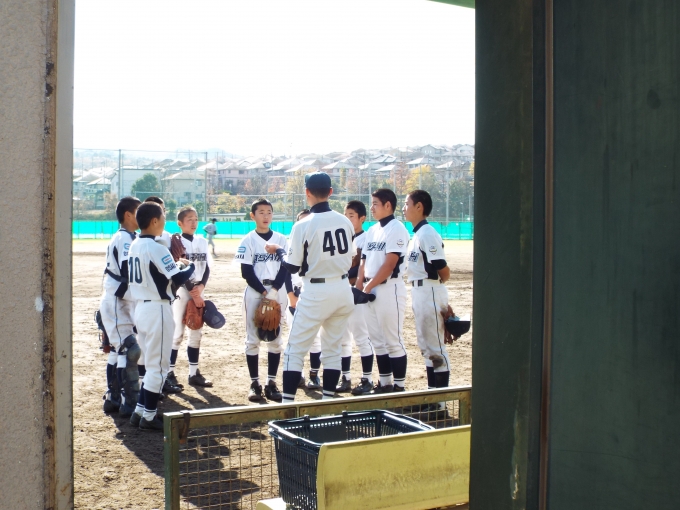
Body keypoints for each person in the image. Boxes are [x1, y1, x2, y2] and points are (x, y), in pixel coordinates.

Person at [265, 172, 355, 402]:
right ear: (330, 192)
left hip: (316, 291)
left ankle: (287, 405)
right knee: (332, 349)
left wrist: (280, 250)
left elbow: (292, 266)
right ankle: (327, 402)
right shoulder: (345, 221)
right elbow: (351, 256)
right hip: (343, 289)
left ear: (306, 192)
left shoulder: (303, 224)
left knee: (294, 350)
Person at [127, 202, 195, 431]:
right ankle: (148, 416)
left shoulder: (135, 244)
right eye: (163, 217)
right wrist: (189, 266)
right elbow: (178, 279)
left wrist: (175, 265)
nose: (165, 221)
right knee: (159, 367)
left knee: (150, 364)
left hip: (141, 309)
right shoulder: (157, 247)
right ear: (154, 221)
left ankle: (140, 411)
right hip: (157, 310)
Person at [235, 200, 289, 403]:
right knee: (252, 339)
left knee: (275, 338)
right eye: (261, 212)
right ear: (253, 216)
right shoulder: (248, 240)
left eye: (269, 212)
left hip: (278, 290)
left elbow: (286, 267)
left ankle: (271, 382)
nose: (266, 216)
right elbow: (246, 272)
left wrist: (274, 291)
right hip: (255, 292)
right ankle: (254, 383)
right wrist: (264, 292)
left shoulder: (281, 239)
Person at [356, 188, 410, 393]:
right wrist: (359, 286)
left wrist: (367, 287)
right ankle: (385, 384)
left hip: (389, 288)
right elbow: (363, 261)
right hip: (370, 289)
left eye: (375, 203)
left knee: (393, 341)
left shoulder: (397, 229)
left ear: (388, 205)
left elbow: (389, 265)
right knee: (377, 341)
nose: (371, 207)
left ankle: (399, 387)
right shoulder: (372, 230)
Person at [402, 190, 451, 412]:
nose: (404, 208)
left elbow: (443, 269)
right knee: (426, 348)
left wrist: (438, 291)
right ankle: (432, 398)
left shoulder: (427, 233)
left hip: (430, 290)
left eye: (407, 203)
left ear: (419, 207)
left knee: (436, 349)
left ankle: (440, 404)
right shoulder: (418, 234)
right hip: (420, 292)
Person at [99, 196, 141, 416]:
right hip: (117, 300)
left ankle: (114, 398)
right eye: (138, 211)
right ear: (128, 214)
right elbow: (128, 270)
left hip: (120, 300)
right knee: (128, 349)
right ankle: (128, 401)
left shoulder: (130, 237)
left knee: (119, 350)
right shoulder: (124, 238)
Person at [167, 206, 214, 389]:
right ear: (180, 223)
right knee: (177, 333)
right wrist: (193, 291)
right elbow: (177, 269)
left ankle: (193, 373)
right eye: (189, 219)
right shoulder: (176, 242)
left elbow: (207, 267)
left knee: (196, 330)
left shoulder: (202, 241)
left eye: (196, 219)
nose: (194, 223)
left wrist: (201, 287)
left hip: (199, 290)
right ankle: (169, 373)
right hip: (181, 291)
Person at [337, 200, 375, 395]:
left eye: (351, 216)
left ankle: (367, 379)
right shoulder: (341, 238)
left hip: (357, 292)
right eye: (345, 215)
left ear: (362, 218)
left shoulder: (366, 239)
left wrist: (340, 274)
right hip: (341, 291)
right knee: (343, 337)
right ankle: (345, 378)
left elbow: (361, 268)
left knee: (361, 336)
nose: (347, 219)